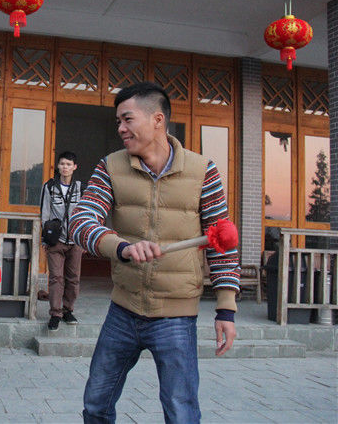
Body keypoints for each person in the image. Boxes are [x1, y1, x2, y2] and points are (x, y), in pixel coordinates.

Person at [69, 82, 241, 424]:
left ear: (157, 119)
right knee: (96, 404)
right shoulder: (110, 167)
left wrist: (226, 308)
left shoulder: (202, 171)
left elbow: (221, 242)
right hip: (123, 309)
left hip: (176, 316)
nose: (120, 128)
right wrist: (121, 247)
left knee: (181, 412)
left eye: (127, 119)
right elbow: (80, 220)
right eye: (118, 120)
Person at [40, 151, 84, 331]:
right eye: (62, 164)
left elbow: (86, 214)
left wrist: (85, 238)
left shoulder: (81, 187)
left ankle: (68, 310)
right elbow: (44, 213)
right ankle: (55, 313)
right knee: (56, 277)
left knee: (73, 278)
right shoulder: (49, 186)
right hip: (55, 240)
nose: (65, 167)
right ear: (58, 166)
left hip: (75, 239)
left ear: (74, 167)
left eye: (68, 164)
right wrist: (45, 237)